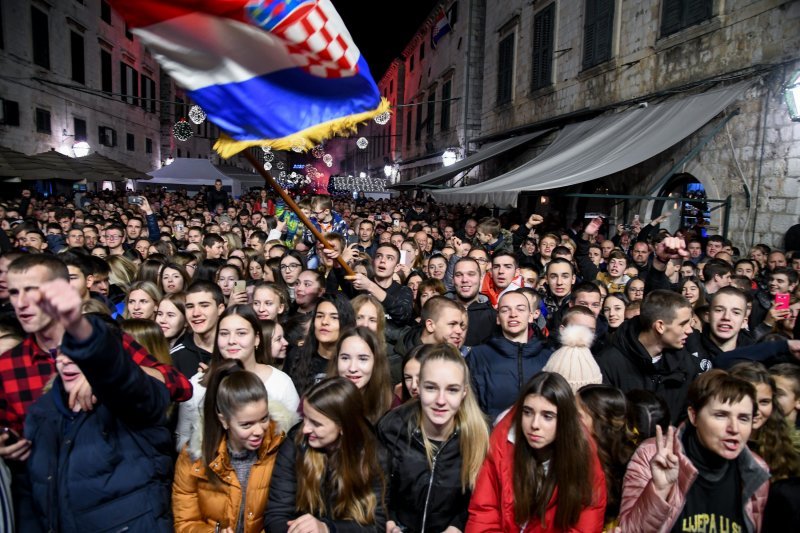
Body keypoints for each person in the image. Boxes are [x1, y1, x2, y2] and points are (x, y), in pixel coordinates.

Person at [15, 277, 175, 531]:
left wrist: (103, 371)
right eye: (62, 352)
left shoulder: (130, 401)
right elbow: (30, 498)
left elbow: (141, 387)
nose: (66, 360)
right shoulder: (41, 412)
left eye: (79, 352)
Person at [619, 370, 770, 533]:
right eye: (721, 415)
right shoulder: (653, 454)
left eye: (743, 418)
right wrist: (659, 489)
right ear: (693, 415)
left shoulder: (756, 470)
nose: (734, 428)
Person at [466, 372, 607, 532]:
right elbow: (484, 514)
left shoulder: (585, 458)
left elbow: (584, 525)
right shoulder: (501, 444)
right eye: (528, 412)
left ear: (564, 421)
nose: (534, 424)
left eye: (547, 416)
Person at [378, 344, 490, 533]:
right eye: (431, 388)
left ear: (464, 392)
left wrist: (457, 526)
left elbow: (481, 501)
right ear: (418, 387)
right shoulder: (392, 427)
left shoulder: (479, 435)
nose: (440, 400)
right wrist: (387, 521)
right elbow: (376, 490)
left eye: (452, 390)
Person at [172, 360, 295, 533]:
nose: (259, 430)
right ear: (224, 420)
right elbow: (185, 522)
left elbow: (285, 515)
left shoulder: (279, 448)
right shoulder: (194, 455)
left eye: (264, 418)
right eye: (246, 425)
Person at [265, 377, 388, 533]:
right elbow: (276, 515)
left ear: (343, 426)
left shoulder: (374, 456)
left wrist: (327, 528)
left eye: (316, 423)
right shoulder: (295, 444)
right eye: (305, 418)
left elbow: (377, 526)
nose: (305, 429)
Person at [176, 306, 299, 451]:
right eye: (224, 333)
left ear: (257, 339)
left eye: (241, 333)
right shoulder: (198, 384)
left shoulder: (280, 382)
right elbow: (182, 438)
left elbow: (295, 439)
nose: (231, 341)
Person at [598, 290, 703, 424]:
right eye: (683, 324)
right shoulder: (608, 363)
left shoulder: (686, 363)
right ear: (660, 326)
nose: (689, 330)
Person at [469, 291, 552, 419]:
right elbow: (470, 408)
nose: (513, 314)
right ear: (497, 318)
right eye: (505, 310)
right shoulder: (478, 356)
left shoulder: (549, 357)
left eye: (520, 309)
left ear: (530, 316)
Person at [576, 385, 636, 528]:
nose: (568, 420)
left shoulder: (632, 468)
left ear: (600, 423)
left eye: (577, 416)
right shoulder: (572, 457)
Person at [285, 293, 355, 395]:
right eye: (320, 316)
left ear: (346, 323)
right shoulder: (296, 355)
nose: (324, 322)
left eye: (334, 317)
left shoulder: (352, 363)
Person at [329, 326, 392, 424]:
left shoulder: (392, 406)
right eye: (345, 358)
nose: (352, 368)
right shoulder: (320, 401)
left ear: (376, 362)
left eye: (363, 359)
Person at [171, 281, 226, 378]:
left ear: (220, 309)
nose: (195, 313)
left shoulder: (234, 349)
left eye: (204, 305)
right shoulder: (175, 357)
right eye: (190, 306)